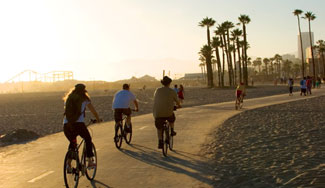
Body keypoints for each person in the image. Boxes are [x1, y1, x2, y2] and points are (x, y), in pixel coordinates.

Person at [63, 83, 101, 168]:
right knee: (87, 139)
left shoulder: (68, 98)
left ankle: (68, 164)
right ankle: (90, 161)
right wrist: (98, 119)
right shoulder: (85, 99)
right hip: (78, 124)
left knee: (73, 142)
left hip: (67, 125)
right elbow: (93, 111)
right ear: (84, 90)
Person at [153, 76, 181, 149]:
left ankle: (160, 141)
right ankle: (171, 131)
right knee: (172, 118)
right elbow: (177, 101)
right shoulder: (172, 91)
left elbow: (156, 98)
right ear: (169, 83)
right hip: (168, 113)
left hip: (158, 113)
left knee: (159, 128)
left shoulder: (157, 90)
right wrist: (179, 105)